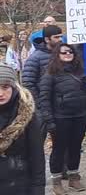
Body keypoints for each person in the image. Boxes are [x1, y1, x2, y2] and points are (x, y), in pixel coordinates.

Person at [39, 43, 86, 194]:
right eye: (64, 52)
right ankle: (56, 181)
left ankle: (73, 177)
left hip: (80, 116)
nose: (68, 54)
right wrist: (49, 120)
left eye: (70, 52)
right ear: (57, 55)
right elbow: (44, 98)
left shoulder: (80, 72)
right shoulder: (50, 74)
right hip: (60, 117)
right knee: (59, 150)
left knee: (76, 147)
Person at [0, 64, 45, 194]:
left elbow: (37, 155)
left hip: (19, 182)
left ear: (14, 87)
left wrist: (38, 188)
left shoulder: (26, 115)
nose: (0, 93)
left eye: (5, 87)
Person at [22, 25, 64, 101]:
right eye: (56, 37)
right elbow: (28, 83)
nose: (60, 39)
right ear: (47, 39)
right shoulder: (35, 58)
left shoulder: (64, 54)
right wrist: (40, 103)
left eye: (61, 36)